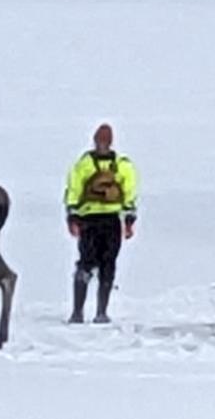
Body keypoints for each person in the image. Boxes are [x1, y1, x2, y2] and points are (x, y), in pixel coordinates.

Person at [64, 123, 138, 324]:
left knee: (87, 263)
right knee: (107, 264)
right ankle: (99, 312)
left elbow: (74, 190)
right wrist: (129, 220)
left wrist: (72, 216)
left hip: (90, 219)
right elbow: (129, 193)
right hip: (110, 220)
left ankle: (79, 312)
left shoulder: (85, 164)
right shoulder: (122, 164)